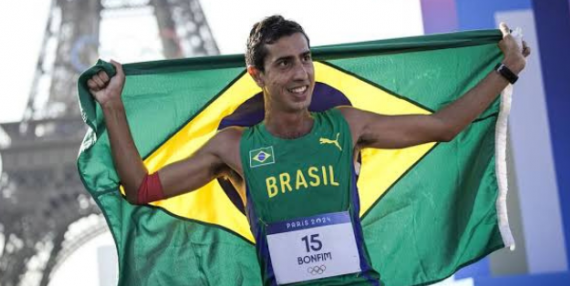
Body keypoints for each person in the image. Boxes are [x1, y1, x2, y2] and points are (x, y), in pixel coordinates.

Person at [86, 15, 529, 285]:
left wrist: (507, 70)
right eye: (284, 63)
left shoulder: (348, 126)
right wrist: (114, 107)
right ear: (256, 75)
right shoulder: (234, 148)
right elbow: (141, 188)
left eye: (305, 58)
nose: (301, 73)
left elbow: (445, 126)